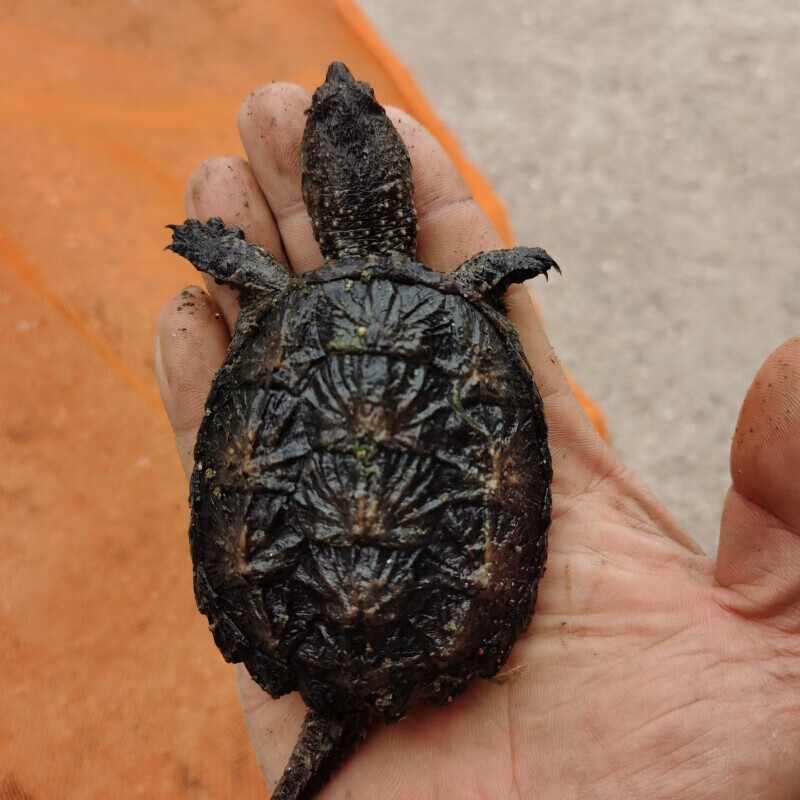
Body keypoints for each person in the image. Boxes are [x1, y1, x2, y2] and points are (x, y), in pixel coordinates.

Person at [155, 80, 800, 798]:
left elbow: (234, 265)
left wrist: (209, 249)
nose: (340, 83)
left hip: (287, 625)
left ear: (319, 189)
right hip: (451, 624)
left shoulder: (277, 295)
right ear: (394, 185)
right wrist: (499, 269)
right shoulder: (467, 292)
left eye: (357, 105)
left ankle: (334, 717)